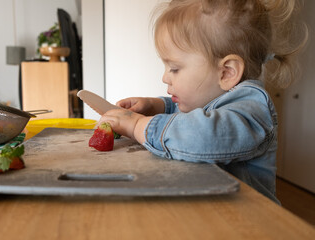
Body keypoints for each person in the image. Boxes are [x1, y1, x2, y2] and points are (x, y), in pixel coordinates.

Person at [98, 0, 307, 203]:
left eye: (174, 68)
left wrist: (138, 126)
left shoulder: (253, 108)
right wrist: (158, 106)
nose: (165, 77)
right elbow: (200, 114)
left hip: (249, 225)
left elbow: (204, 134)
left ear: (226, 72)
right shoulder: (216, 98)